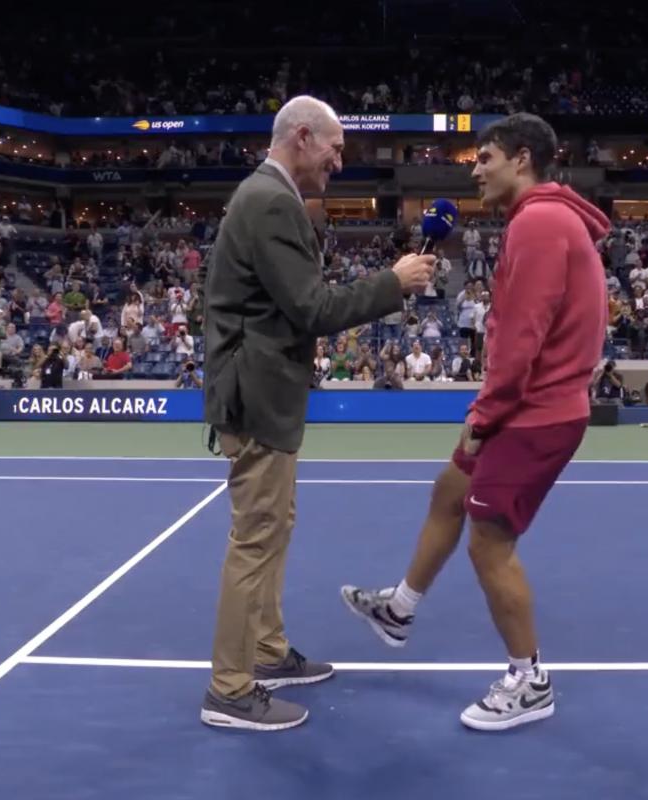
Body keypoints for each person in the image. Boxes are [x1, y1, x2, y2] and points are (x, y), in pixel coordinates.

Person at [340, 113, 609, 731]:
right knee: (448, 491)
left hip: (532, 413)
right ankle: (399, 611)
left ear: (521, 159)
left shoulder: (540, 223)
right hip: (523, 404)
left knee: (490, 545)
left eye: (484, 157)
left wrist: (487, 413)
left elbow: (522, 336)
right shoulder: (543, 218)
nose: (477, 170)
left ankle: (528, 680)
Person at [199, 95, 436, 732]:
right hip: (257, 393)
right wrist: (393, 282)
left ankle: (268, 653)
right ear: (301, 137)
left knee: (273, 526)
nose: (339, 160)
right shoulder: (272, 201)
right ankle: (229, 688)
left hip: (262, 390)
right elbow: (313, 309)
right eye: (334, 147)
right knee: (256, 538)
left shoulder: (267, 196)